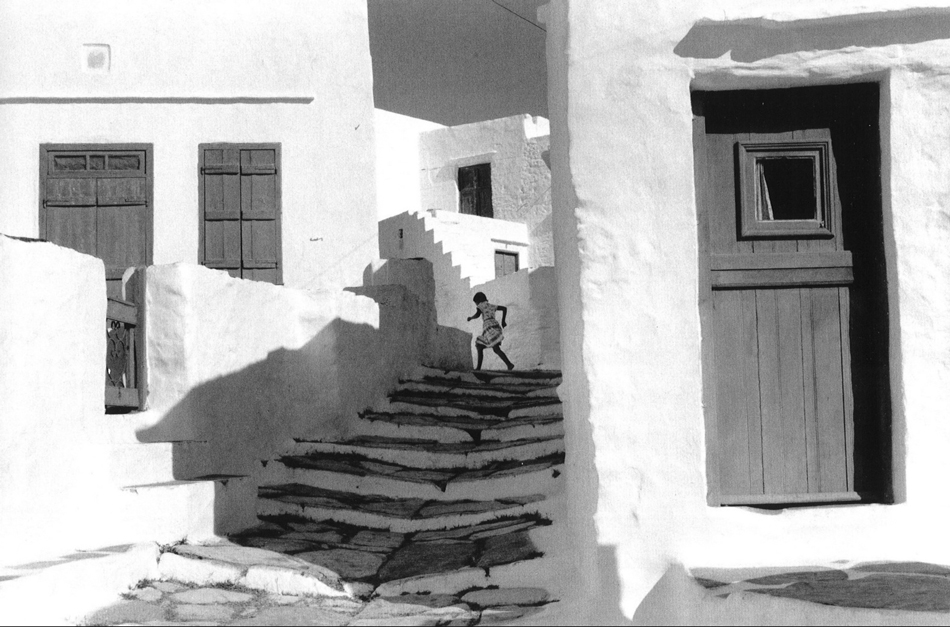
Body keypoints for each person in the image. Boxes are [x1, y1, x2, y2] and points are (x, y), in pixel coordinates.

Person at [467, 291, 515, 371]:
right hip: (495, 326)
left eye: (476, 302)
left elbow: (478, 314)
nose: (476, 304)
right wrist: (503, 321)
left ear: (478, 301)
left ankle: (479, 368)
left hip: (489, 327)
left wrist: (471, 318)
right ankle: (509, 364)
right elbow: (504, 308)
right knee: (487, 347)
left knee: (482, 346)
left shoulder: (480, 305)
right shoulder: (491, 305)